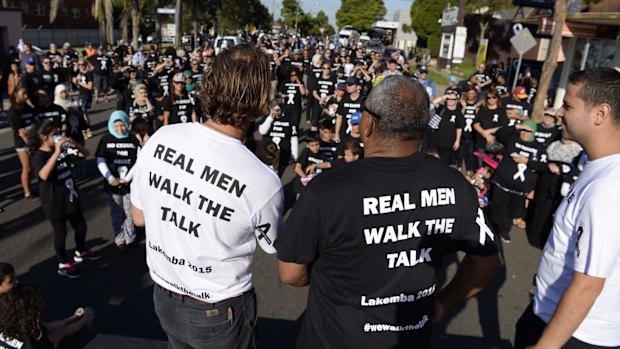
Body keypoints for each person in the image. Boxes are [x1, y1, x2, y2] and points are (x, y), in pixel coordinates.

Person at [275, 75, 502, 348]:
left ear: (368, 124)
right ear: (421, 129)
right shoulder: (457, 185)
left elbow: (291, 273)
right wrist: (444, 302)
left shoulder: (327, 189)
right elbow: (488, 262)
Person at [130, 44, 284, 348]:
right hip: (218, 310)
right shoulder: (263, 180)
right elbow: (273, 245)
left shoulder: (162, 137)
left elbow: (139, 217)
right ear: (261, 98)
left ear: (209, 83)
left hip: (163, 295)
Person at [514, 67, 620, 349]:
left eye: (568, 105)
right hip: (551, 315)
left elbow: (588, 284)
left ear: (600, 114)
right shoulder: (597, 166)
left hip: (575, 334)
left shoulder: (608, 188)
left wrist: (545, 346)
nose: (558, 112)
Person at [29, 120, 99, 279]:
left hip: (70, 196)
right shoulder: (39, 155)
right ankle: (63, 263)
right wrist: (56, 152)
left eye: (58, 133)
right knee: (60, 233)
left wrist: (74, 144)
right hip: (54, 201)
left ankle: (80, 251)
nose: (58, 137)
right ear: (43, 137)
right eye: (54, 135)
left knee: (81, 226)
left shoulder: (62, 149)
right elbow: (43, 175)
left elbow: (85, 154)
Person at [488, 120, 547, 243]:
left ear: (534, 133)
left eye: (529, 131)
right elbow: (499, 133)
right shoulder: (513, 139)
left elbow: (543, 167)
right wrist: (517, 126)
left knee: (511, 212)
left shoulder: (539, 147)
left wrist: (527, 161)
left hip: (520, 189)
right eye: (523, 130)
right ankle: (491, 230)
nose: (525, 133)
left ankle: (504, 231)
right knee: (496, 208)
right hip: (502, 183)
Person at [96, 111, 140, 254]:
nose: (120, 129)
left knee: (129, 211)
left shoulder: (133, 140)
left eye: (123, 125)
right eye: (116, 126)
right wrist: (110, 178)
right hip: (113, 184)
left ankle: (130, 237)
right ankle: (119, 238)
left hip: (129, 184)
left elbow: (139, 161)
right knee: (116, 212)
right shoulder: (106, 140)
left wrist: (127, 178)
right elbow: (100, 159)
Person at [0, 283, 95, 349]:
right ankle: (86, 319)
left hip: (25, 338)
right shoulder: (32, 343)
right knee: (59, 333)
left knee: (45, 327)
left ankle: (74, 318)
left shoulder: (5, 323)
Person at [8, 85, 36, 199]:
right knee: (27, 167)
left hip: (31, 140)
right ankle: (27, 192)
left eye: (26, 94)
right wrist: (29, 143)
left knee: (32, 167)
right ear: (15, 95)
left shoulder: (27, 107)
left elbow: (34, 122)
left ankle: (30, 187)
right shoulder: (13, 111)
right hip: (22, 143)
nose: (25, 96)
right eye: (23, 94)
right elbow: (20, 132)